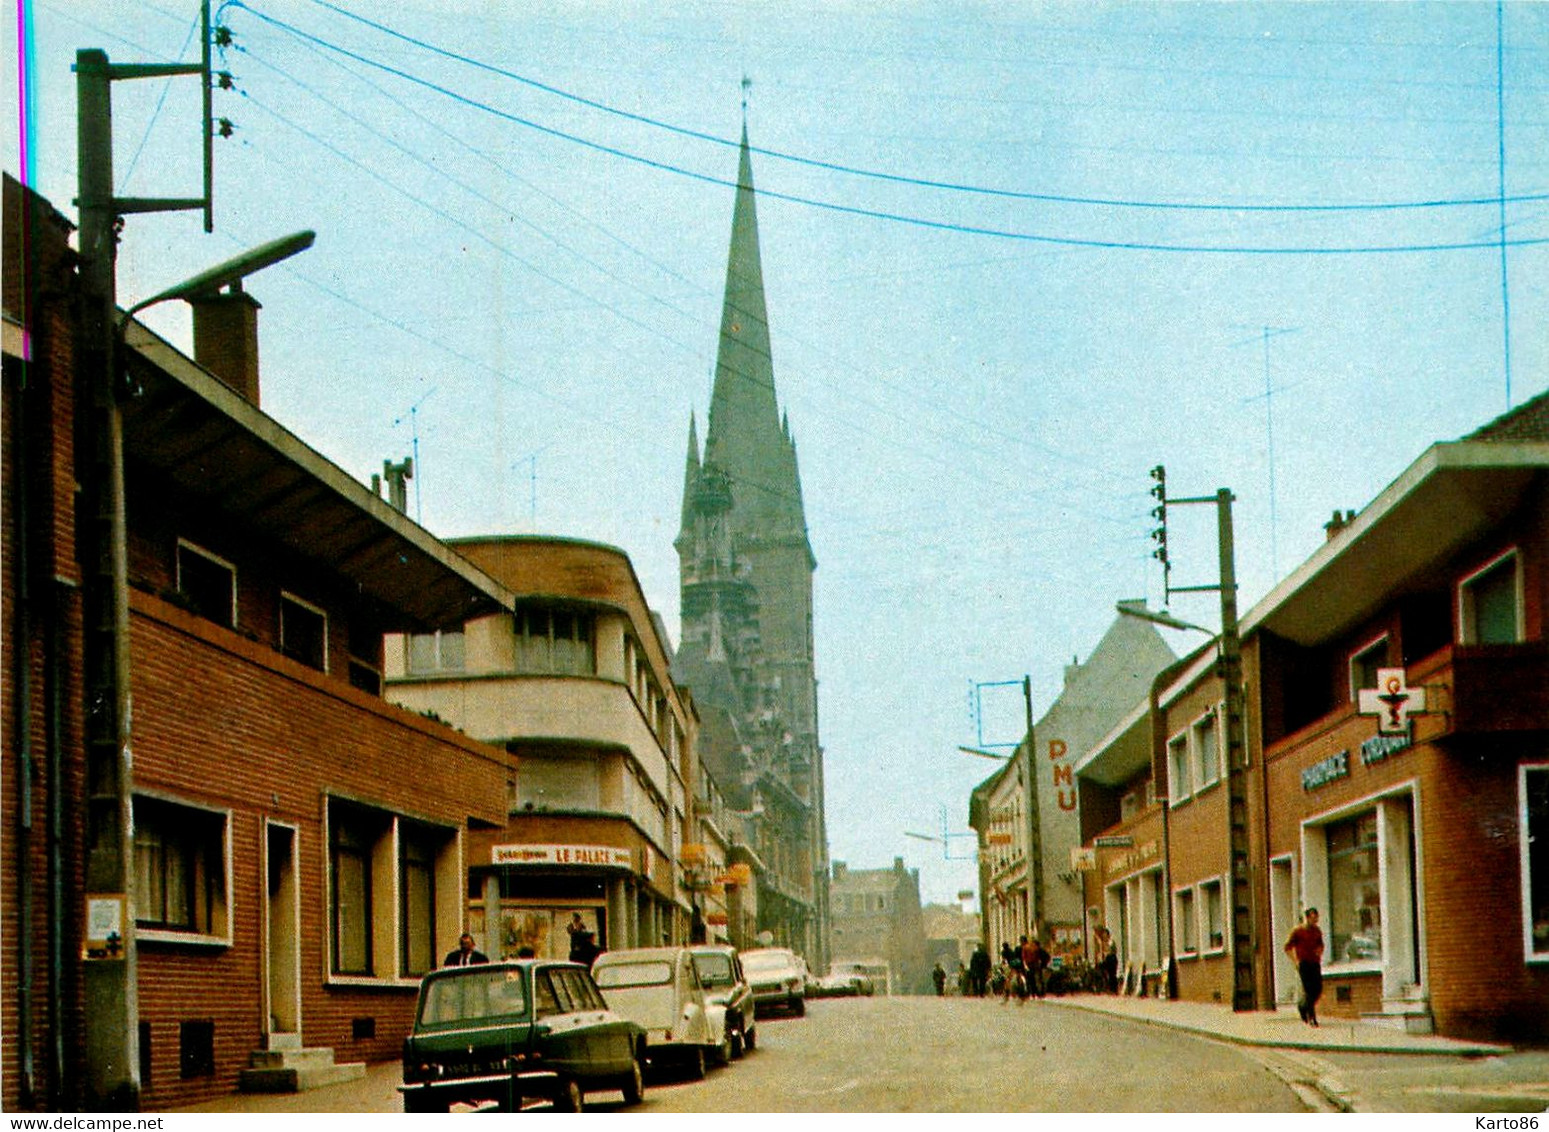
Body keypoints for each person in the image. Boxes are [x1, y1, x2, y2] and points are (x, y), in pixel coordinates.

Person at [1284, 907, 1325, 1026]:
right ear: (1307, 918)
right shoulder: (1297, 931)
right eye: (1313, 918)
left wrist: (1320, 951)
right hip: (1303, 963)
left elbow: (1321, 944)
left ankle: (1302, 1006)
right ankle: (1312, 1017)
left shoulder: (1317, 931)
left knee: (1317, 989)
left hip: (1315, 962)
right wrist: (1295, 960)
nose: (1315, 921)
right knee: (1308, 990)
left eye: (1316, 918)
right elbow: (1287, 947)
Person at [1096, 927, 1119, 993]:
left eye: (1105, 935)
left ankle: (1114, 990)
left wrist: (1105, 951)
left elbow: (1111, 951)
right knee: (1101, 970)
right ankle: (1106, 987)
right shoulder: (1104, 943)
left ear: (1108, 935)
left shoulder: (1111, 942)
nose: (1104, 937)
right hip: (1108, 960)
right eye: (1103, 935)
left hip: (1112, 959)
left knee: (1112, 975)